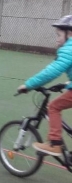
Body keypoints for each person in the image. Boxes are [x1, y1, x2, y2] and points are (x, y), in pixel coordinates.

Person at [17, 15, 72, 157]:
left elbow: (51, 72)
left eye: (59, 35)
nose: (57, 39)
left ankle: (55, 144)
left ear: (70, 34)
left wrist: (28, 85)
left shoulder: (69, 48)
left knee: (53, 107)